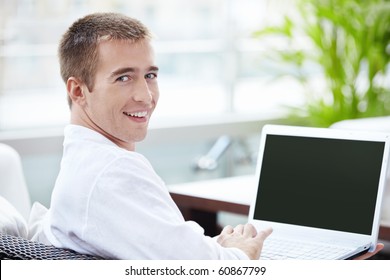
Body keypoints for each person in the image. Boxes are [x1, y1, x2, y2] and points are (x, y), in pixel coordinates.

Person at [38, 12, 383, 260]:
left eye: (151, 74)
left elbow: (171, 251)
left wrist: (216, 245)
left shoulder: (88, 162)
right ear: (79, 90)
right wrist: (240, 254)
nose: (145, 95)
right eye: (124, 78)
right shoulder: (112, 173)